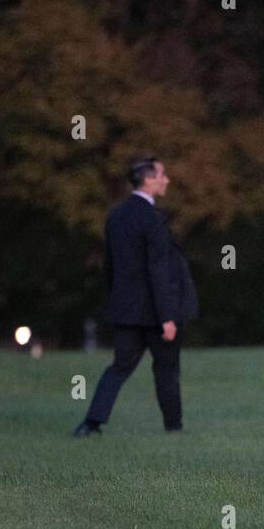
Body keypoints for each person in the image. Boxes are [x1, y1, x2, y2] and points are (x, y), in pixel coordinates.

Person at [74, 156, 196, 437]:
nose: (166, 180)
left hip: (127, 310)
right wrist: (167, 317)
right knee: (166, 370)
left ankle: (91, 422)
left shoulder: (116, 216)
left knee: (119, 367)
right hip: (156, 312)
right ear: (149, 179)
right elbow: (158, 270)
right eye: (162, 175)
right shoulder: (153, 219)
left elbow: (110, 266)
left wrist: (116, 300)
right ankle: (173, 427)